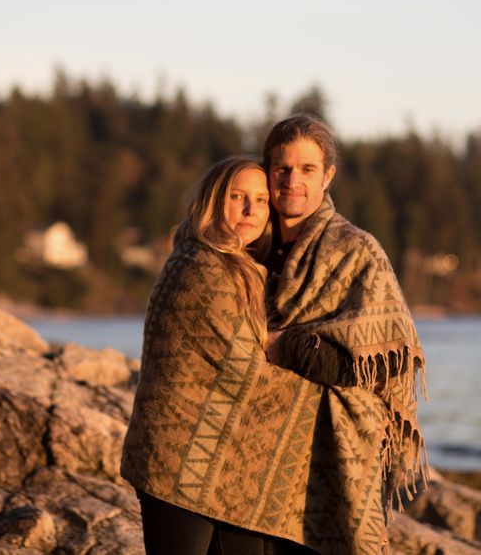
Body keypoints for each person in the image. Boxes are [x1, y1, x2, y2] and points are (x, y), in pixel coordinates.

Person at [121, 156, 316, 554]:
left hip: (227, 463)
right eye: (238, 197)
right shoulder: (199, 266)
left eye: (262, 200)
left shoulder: (240, 267)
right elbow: (243, 369)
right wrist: (330, 387)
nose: (251, 210)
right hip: (176, 463)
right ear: (213, 200)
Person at [262, 114, 427, 554]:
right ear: (268, 172)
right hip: (258, 453)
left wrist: (284, 345)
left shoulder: (357, 251)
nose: (292, 180)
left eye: (307, 169)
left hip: (334, 454)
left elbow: (379, 362)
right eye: (282, 169)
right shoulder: (249, 252)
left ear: (327, 176)